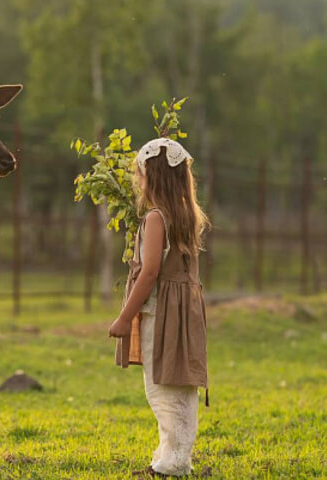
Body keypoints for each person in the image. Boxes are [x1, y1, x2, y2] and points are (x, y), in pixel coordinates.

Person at [108, 138, 210, 477]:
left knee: (161, 388)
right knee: (180, 384)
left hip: (162, 313)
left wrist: (125, 318)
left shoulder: (155, 219)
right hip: (185, 312)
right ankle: (171, 456)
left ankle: (172, 464)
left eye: (139, 174)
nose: (137, 181)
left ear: (153, 177)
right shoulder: (188, 215)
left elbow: (150, 272)